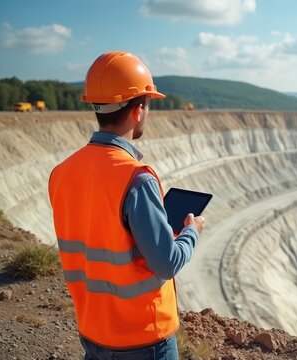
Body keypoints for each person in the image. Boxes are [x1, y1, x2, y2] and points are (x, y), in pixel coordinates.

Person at [48, 51, 204, 359]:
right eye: (148, 104)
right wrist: (192, 232)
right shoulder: (137, 178)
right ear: (139, 108)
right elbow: (166, 262)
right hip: (143, 339)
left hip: (93, 332)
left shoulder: (62, 172)